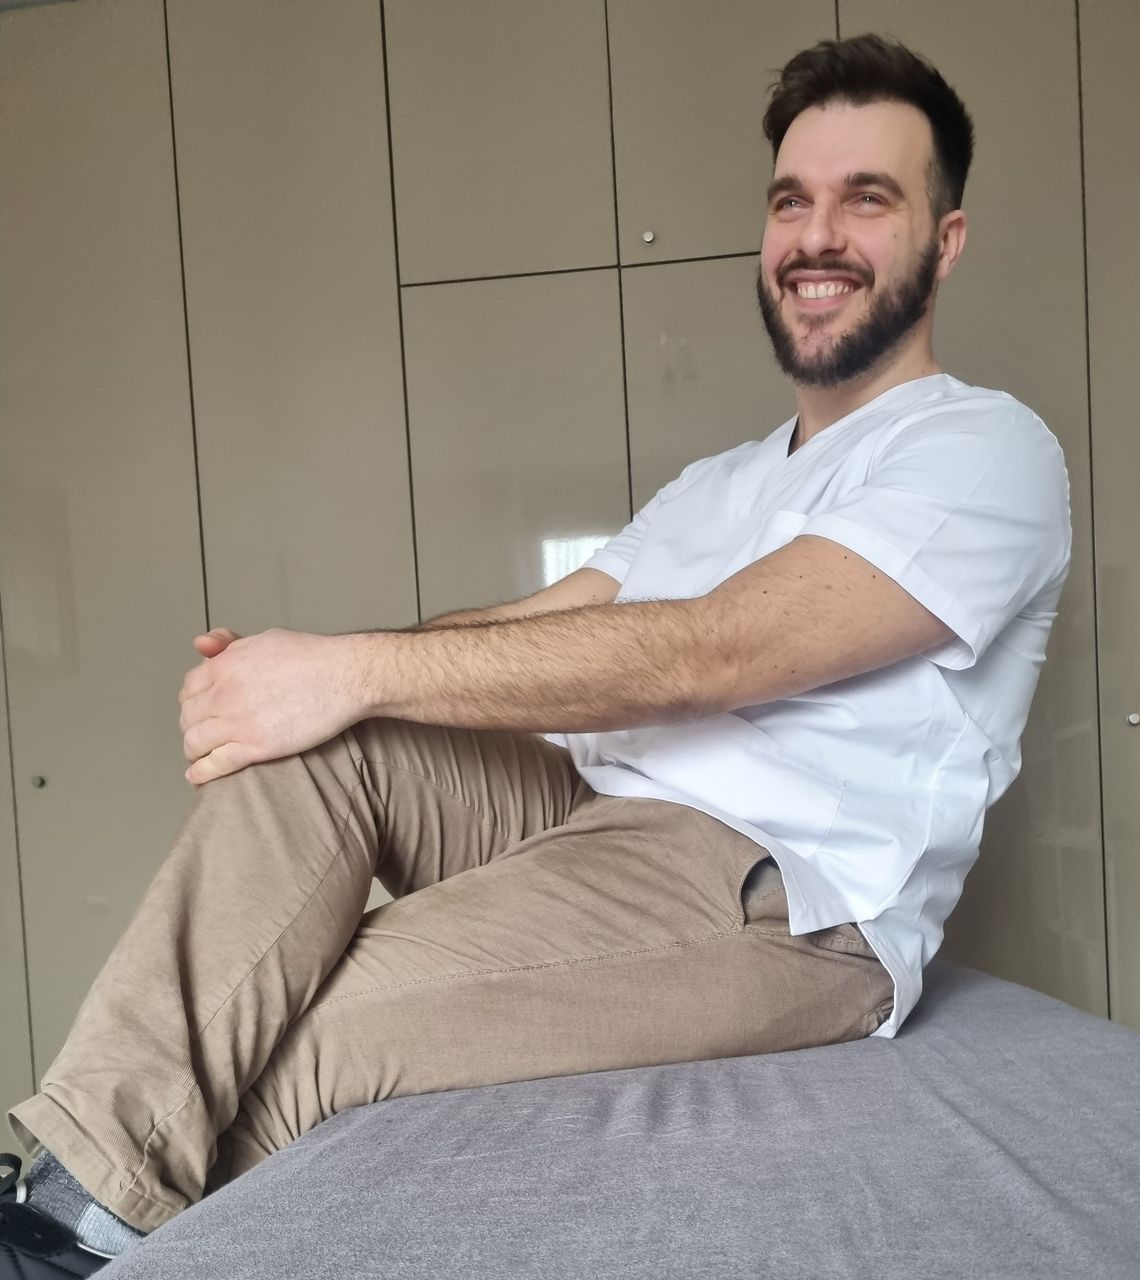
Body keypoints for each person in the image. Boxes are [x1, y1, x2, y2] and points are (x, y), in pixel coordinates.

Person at [1, 32, 1070, 1276]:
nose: (815, 235)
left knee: (307, 1033)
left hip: (785, 893)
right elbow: (539, 622)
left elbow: (718, 651)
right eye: (790, 201)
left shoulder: (983, 448)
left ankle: (78, 1246)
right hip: (589, 807)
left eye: (865, 199)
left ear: (944, 239)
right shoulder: (718, 481)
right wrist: (313, 671)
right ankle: (71, 1193)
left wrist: (346, 671)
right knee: (320, 745)